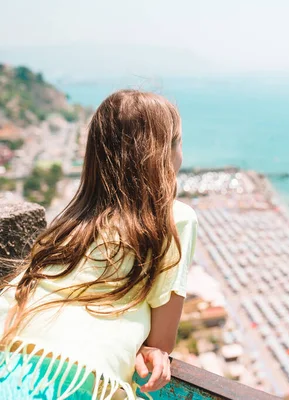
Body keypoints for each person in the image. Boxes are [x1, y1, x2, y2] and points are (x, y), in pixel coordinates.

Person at [0, 90, 198, 399]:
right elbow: (162, 341)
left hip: (9, 347)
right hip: (82, 371)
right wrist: (152, 349)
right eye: (179, 142)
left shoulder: (73, 219)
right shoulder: (175, 218)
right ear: (164, 153)